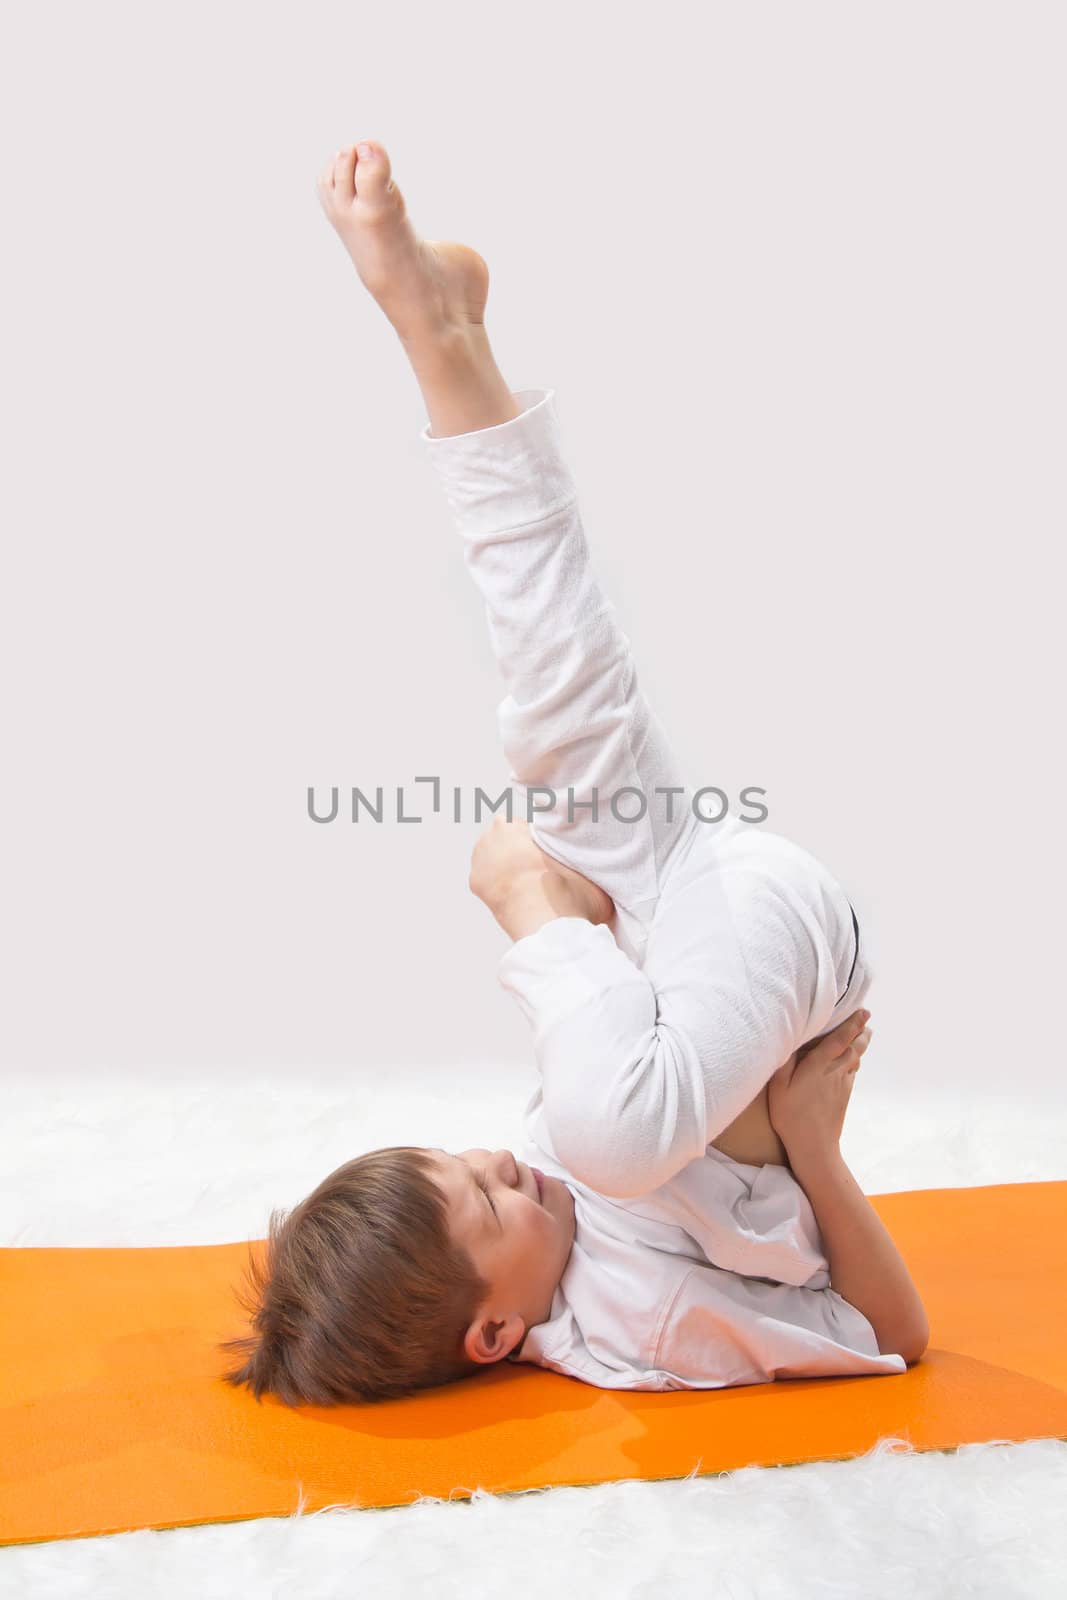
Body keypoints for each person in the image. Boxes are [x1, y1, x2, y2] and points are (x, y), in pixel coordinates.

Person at [219, 139, 929, 1406]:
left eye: (467, 1159)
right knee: (609, 1139)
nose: (505, 1157)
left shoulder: (557, 1162)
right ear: (494, 1331)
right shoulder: (642, 1316)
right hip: (787, 949)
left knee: (561, 709)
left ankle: (447, 340)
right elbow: (890, 1333)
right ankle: (520, 896)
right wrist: (818, 1157)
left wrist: (589, 900)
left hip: (682, 911)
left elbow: (621, 1055)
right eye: (488, 1196)